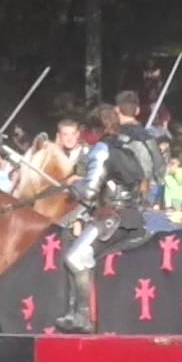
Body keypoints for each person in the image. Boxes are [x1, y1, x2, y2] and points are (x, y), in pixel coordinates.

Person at [57, 104, 150, 333]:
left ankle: (82, 316)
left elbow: (89, 191)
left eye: (87, 130)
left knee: (75, 258)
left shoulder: (100, 150)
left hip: (111, 219)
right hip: (133, 216)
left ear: (95, 129)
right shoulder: (127, 149)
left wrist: (72, 187)